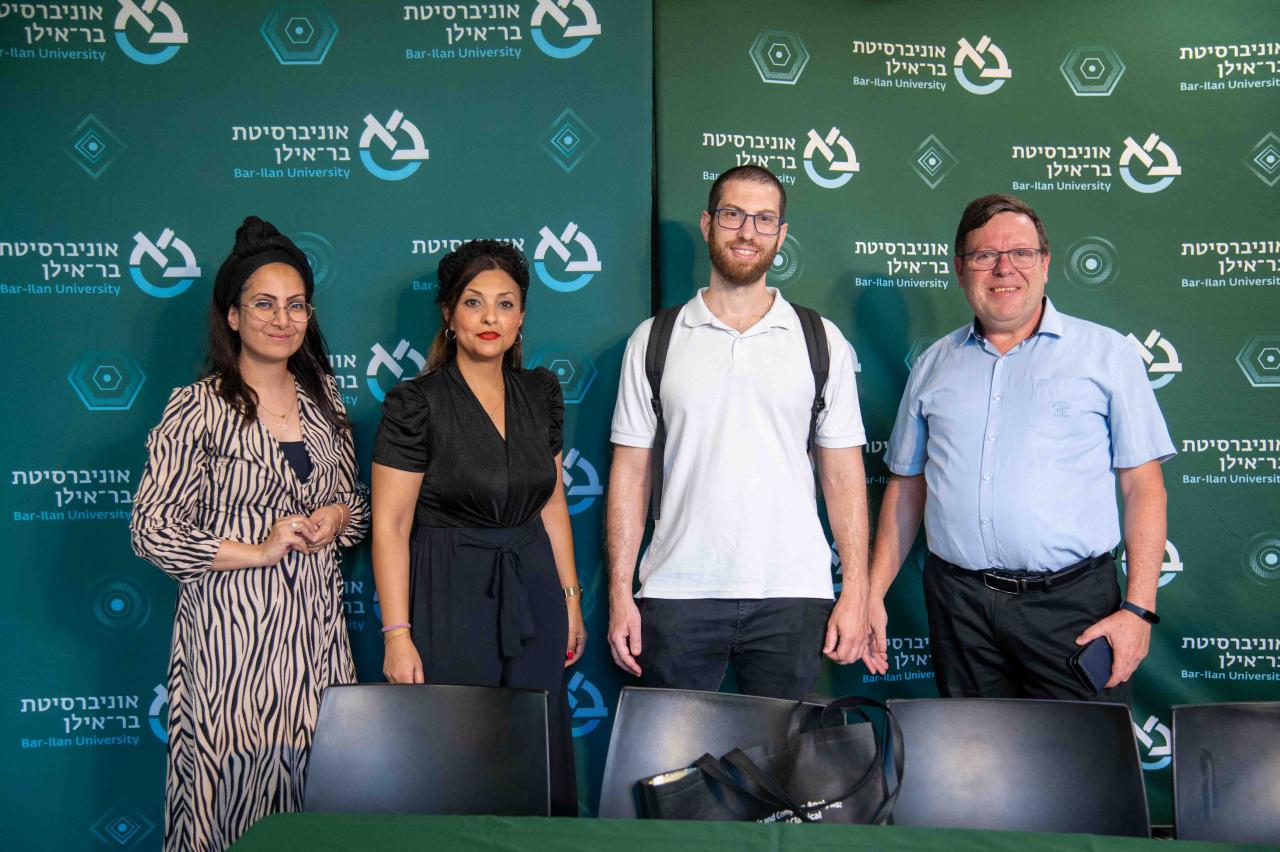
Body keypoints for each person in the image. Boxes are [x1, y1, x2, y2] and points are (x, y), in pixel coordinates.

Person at [862, 194, 1174, 702]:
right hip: (959, 608)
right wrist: (872, 593)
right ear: (960, 269)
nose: (1004, 268)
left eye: (1021, 253)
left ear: (1045, 264)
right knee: (973, 753)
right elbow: (908, 484)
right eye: (985, 255)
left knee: (1082, 750)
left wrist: (1138, 610)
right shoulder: (933, 365)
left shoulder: (1107, 354)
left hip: (1074, 609)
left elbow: (1144, 485)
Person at [130, 216, 369, 851]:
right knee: (227, 803)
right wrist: (257, 550)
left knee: (318, 800)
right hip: (229, 645)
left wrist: (338, 517)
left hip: (317, 644)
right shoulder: (197, 407)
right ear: (232, 316)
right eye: (264, 304)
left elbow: (358, 508)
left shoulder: (326, 403)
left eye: (295, 305)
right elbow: (152, 530)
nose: (281, 319)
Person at [606, 165, 870, 700]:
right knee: (674, 751)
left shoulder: (821, 340)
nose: (747, 231)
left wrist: (858, 589)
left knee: (782, 752)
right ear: (708, 224)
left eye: (764, 219)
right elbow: (630, 475)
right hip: (677, 588)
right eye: (733, 215)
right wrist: (619, 591)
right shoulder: (654, 339)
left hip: (793, 590)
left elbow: (844, 477)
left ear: (781, 234)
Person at [371, 239, 584, 816]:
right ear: (449, 313)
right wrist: (397, 635)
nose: (490, 317)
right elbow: (391, 524)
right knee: (458, 754)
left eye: (505, 303)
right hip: (450, 590)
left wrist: (570, 599)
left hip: (534, 587)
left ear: (521, 317)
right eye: (473, 302)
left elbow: (553, 502)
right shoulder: (415, 402)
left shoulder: (541, 391)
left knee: (536, 749)